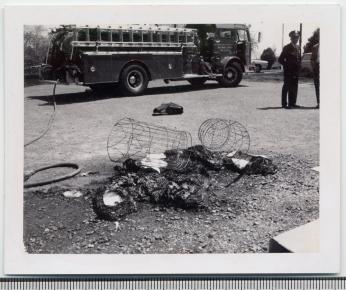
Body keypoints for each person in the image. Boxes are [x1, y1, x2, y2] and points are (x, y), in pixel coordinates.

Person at [278, 30, 301, 109]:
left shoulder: (298, 47)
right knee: (286, 87)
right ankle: (284, 104)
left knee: (294, 87)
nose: (296, 39)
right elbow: (280, 59)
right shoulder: (287, 47)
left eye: (297, 37)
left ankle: (293, 103)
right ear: (291, 38)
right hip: (288, 71)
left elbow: (298, 59)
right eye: (294, 37)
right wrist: (287, 66)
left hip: (295, 71)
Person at [311, 43, 320, 108]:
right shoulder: (315, 47)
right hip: (317, 67)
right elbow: (312, 59)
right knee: (317, 85)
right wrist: (314, 67)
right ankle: (319, 102)